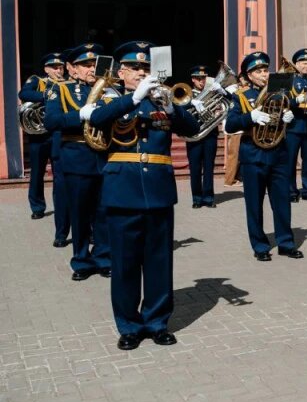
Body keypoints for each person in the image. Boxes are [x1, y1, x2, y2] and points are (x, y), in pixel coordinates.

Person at [89, 41, 201, 350]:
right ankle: (128, 326)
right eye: (136, 68)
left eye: (146, 69)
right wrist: (133, 99)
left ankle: (156, 322)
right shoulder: (110, 98)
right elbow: (97, 119)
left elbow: (192, 128)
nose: (142, 73)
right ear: (122, 71)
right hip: (122, 189)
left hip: (158, 190)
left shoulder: (161, 99)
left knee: (158, 262)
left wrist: (171, 108)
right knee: (124, 264)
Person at [224, 51, 303, 262]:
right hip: (253, 154)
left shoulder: (279, 92)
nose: (264, 74)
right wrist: (250, 116)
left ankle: (286, 243)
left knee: (282, 202)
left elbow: (289, 115)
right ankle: (260, 245)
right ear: (249, 75)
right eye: (258, 71)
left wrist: (290, 118)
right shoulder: (240, 96)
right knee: (254, 203)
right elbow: (230, 125)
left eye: (265, 70)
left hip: (278, 153)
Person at [43, 43, 113, 281]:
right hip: (77, 157)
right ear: (72, 69)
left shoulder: (108, 90)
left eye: (94, 64)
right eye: (85, 65)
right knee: (80, 213)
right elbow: (52, 121)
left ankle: (104, 257)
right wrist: (80, 115)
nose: (91, 69)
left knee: (104, 211)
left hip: (104, 156)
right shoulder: (60, 89)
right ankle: (82, 260)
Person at [18, 52, 65, 226]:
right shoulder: (38, 80)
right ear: (46, 69)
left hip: (58, 134)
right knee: (37, 172)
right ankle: (37, 208)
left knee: (59, 174)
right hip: (39, 135)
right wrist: (46, 96)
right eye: (54, 67)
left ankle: (61, 206)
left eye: (60, 67)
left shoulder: (67, 84)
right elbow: (23, 94)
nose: (58, 70)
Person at [287, 48, 307, 202]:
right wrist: (295, 101)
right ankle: (292, 192)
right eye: (304, 63)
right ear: (297, 64)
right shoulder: (289, 81)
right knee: (291, 160)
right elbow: (281, 102)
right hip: (293, 127)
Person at [184, 65, 219, 209]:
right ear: (193, 79)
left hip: (210, 133)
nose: (201, 81)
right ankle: (197, 198)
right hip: (194, 135)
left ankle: (209, 197)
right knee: (195, 168)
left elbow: (228, 101)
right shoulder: (186, 94)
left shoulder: (212, 92)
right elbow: (178, 109)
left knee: (209, 167)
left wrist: (222, 91)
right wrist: (190, 103)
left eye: (203, 78)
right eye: (198, 79)